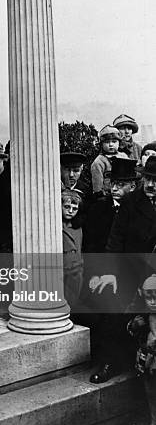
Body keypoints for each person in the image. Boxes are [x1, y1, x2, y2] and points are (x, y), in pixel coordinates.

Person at [88, 156, 156, 383]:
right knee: (114, 308)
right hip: (129, 270)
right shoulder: (131, 202)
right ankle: (110, 363)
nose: (151, 185)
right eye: (147, 178)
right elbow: (115, 241)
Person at [82, 158, 138, 383]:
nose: (114, 188)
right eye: (112, 183)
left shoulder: (141, 209)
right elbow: (91, 245)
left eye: (121, 184)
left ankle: (130, 361)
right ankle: (108, 362)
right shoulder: (99, 209)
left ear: (133, 186)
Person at [127, 275, 156, 425]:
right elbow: (131, 330)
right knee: (150, 390)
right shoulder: (144, 315)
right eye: (148, 297)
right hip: (148, 360)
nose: (152, 301)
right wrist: (134, 326)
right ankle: (154, 422)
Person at [90, 125, 128, 197]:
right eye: (107, 142)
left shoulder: (124, 157)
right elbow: (97, 186)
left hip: (124, 192)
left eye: (114, 141)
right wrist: (100, 195)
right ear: (102, 144)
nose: (111, 144)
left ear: (119, 143)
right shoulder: (99, 162)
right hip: (108, 195)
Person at [61, 189, 84, 309]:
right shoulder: (56, 225)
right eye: (66, 207)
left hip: (76, 271)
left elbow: (79, 248)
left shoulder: (77, 227)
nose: (70, 211)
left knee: (72, 303)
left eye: (74, 209)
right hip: (61, 270)